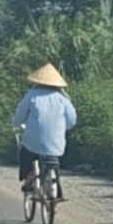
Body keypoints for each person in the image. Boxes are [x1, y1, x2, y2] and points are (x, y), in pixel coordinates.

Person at [14, 63, 76, 201]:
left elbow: (19, 116)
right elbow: (72, 120)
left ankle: (29, 177)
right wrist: (61, 129)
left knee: (26, 153)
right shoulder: (63, 99)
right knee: (53, 158)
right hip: (56, 143)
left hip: (33, 141)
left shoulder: (32, 95)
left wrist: (17, 125)